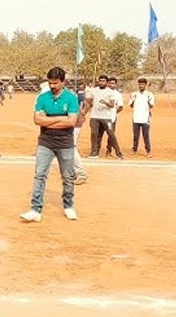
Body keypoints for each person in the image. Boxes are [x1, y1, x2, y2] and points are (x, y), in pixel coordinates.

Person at [20, 67, 80, 223]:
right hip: (45, 142)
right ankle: (35, 209)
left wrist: (48, 120)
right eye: (50, 83)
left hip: (65, 143)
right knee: (39, 175)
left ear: (63, 82)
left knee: (67, 176)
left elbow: (71, 122)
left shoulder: (71, 98)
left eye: (55, 83)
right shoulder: (42, 98)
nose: (52, 86)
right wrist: (61, 119)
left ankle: (68, 206)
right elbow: (37, 120)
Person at [85, 74, 123, 159]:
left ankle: (118, 153)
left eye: (103, 81)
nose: (101, 83)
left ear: (106, 82)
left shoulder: (110, 92)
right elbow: (89, 102)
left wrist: (105, 102)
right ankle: (94, 152)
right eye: (100, 81)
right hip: (95, 116)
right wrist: (87, 97)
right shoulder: (94, 90)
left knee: (111, 134)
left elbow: (112, 105)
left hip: (106, 117)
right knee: (94, 134)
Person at [129, 78, 155, 158]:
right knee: (136, 136)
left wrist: (148, 101)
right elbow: (131, 105)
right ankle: (134, 149)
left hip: (145, 118)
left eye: (142, 84)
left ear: (145, 85)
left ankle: (148, 151)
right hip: (136, 117)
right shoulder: (134, 94)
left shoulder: (149, 94)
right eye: (140, 84)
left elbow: (151, 106)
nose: (141, 86)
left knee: (146, 135)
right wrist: (133, 100)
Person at [105, 77, 124, 157]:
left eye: (112, 83)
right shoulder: (103, 92)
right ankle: (95, 151)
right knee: (98, 134)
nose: (110, 85)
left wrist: (114, 113)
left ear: (115, 84)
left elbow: (120, 107)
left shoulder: (118, 94)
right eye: (109, 83)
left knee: (111, 134)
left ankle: (109, 150)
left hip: (112, 118)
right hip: (101, 117)